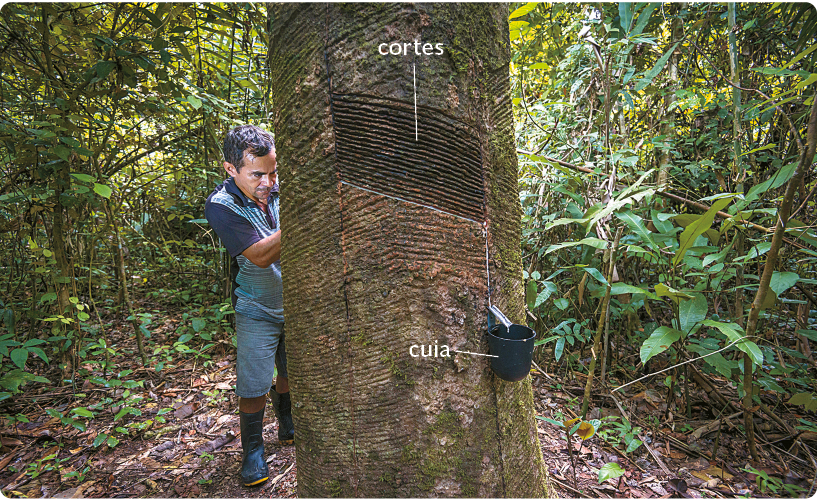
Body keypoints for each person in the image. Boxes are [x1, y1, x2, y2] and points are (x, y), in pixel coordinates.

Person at [204, 125, 294, 487]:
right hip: (257, 307)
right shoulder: (221, 205)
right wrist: (303, 217)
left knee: (291, 370)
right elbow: (258, 256)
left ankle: (287, 422)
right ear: (231, 169)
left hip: (298, 302)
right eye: (258, 174)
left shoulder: (278, 189)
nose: (268, 181)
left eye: (273, 172)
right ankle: (253, 450)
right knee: (255, 382)